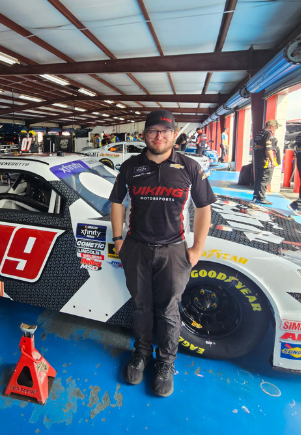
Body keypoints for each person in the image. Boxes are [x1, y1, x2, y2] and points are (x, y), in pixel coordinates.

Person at [109, 110, 215, 397]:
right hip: (137, 249)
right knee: (141, 306)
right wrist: (119, 240)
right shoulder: (130, 166)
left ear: (175, 134)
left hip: (174, 251)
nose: (159, 136)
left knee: (169, 311)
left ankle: (166, 363)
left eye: (165, 132)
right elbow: (116, 202)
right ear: (144, 135)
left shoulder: (190, 167)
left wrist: (196, 249)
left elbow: (204, 208)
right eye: (153, 131)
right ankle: (141, 354)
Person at [252, 120, 280, 205]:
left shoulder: (259, 133)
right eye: (276, 127)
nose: (276, 129)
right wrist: (272, 161)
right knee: (265, 178)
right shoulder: (268, 134)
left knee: (259, 178)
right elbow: (268, 149)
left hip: (258, 160)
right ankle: (261, 198)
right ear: (271, 126)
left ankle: (256, 195)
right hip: (266, 161)